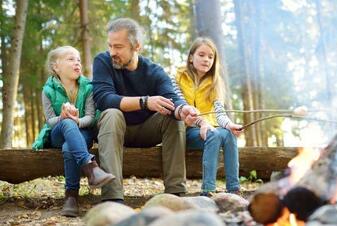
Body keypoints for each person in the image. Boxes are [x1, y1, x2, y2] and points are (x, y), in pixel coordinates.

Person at [92, 18, 198, 203]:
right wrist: (144, 102)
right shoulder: (103, 61)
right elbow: (103, 98)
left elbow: (172, 97)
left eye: (118, 47)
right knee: (111, 113)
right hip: (114, 129)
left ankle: (176, 194)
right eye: (110, 46)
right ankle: (112, 198)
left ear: (136, 46)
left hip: (146, 131)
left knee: (174, 118)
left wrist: (184, 110)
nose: (112, 52)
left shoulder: (154, 71)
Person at [32, 46, 115, 217]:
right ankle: (91, 168)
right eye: (71, 59)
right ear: (56, 67)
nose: (77, 62)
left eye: (78, 59)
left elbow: (91, 117)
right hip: (57, 133)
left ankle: (71, 197)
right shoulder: (48, 90)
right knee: (66, 123)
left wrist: (77, 120)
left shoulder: (88, 87)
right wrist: (63, 118)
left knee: (68, 148)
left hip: (83, 132)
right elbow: (50, 120)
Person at [172, 37, 243, 196]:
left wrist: (229, 125)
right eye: (202, 55)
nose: (206, 60)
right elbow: (184, 108)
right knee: (214, 134)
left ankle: (234, 188)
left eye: (211, 57)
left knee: (228, 134)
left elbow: (219, 113)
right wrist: (202, 123)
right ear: (191, 57)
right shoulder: (177, 77)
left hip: (209, 128)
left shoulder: (216, 82)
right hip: (185, 130)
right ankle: (208, 190)